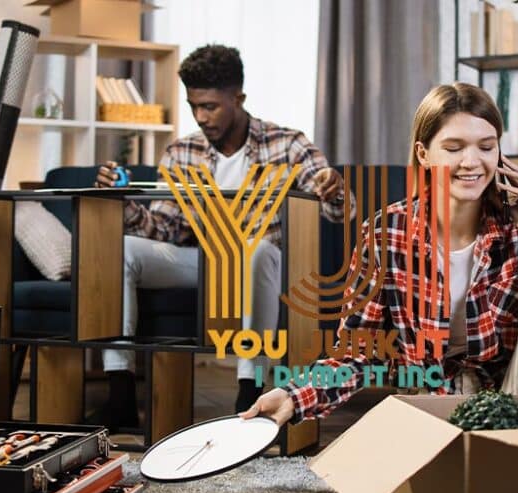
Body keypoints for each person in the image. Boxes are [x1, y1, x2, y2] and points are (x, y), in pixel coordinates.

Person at [241, 82, 518, 426]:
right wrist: (294, 396)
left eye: (486, 146)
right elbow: (357, 354)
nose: (472, 162)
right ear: (425, 153)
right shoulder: (387, 233)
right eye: (454, 147)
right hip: (431, 406)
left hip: (516, 405)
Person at [95, 44, 349, 429]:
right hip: (199, 261)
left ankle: (249, 389)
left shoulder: (289, 143)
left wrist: (334, 189)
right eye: (194, 106)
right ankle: (121, 393)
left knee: (258, 249)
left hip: (260, 264)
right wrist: (121, 204)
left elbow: (338, 210)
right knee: (123, 249)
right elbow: (168, 228)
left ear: (238, 98)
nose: (201, 117)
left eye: (210, 106)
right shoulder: (182, 152)